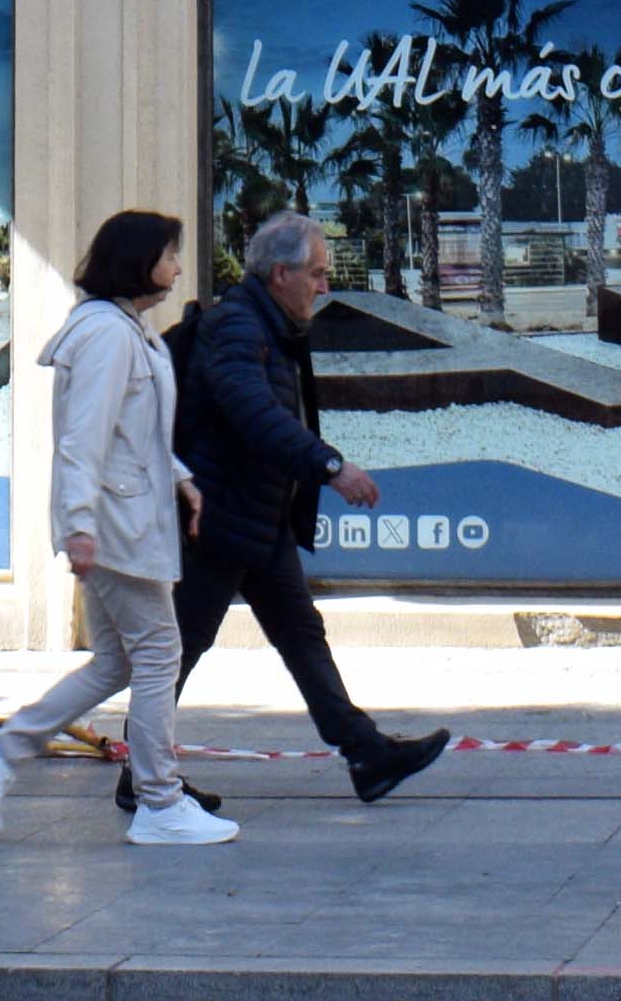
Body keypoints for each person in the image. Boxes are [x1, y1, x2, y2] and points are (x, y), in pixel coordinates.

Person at [0, 209, 234, 846]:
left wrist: (177, 476)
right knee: (159, 656)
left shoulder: (119, 330)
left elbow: (128, 433)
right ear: (137, 260)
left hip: (121, 519)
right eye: (169, 255)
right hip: (118, 527)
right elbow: (83, 439)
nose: (175, 268)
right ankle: (160, 802)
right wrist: (80, 524)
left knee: (117, 661)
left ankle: (1, 750)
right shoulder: (110, 336)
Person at [175, 213, 453, 804]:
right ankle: (136, 774)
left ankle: (367, 755)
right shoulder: (236, 327)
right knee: (178, 648)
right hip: (219, 518)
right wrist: (329, 467)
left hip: (258, 515)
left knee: (302, 634)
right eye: (318, 275)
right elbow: (255, 415)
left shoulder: (269, 326)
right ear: (281, 274)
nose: (324, 288)